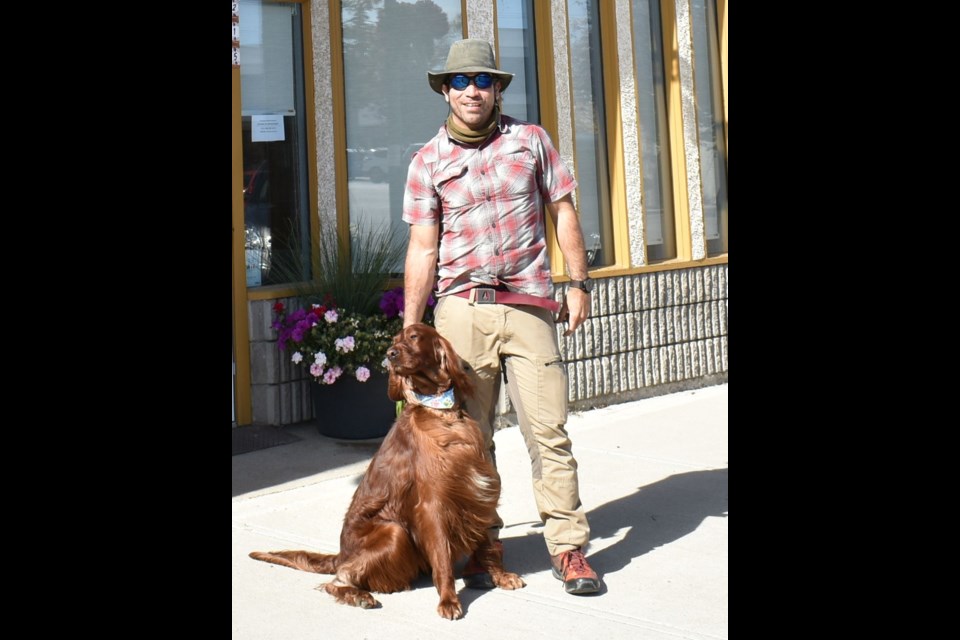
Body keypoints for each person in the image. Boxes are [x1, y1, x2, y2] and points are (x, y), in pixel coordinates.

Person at [401, 38, 601, 595]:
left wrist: (579, 281)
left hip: (531, 304)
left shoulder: (531, 141)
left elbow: (563, 210)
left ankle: (567, 547)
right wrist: (412, 326)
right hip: (462, 312)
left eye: (482, 81)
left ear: (497, 90)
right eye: (461, 81)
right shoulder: (427, 163)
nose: (472, 90)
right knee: (470, 439)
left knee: (549, 432)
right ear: (445, 89)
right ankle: (483, 547)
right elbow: (422, 248)